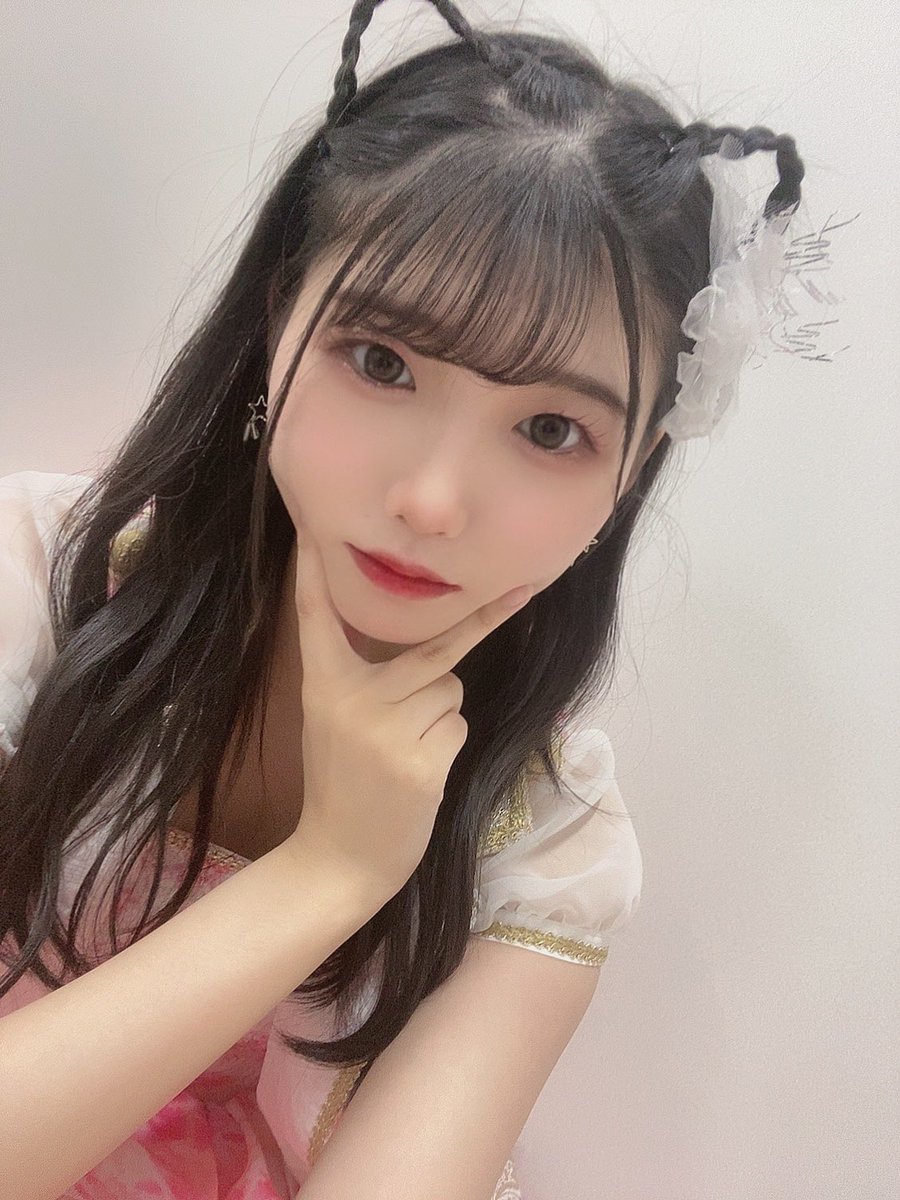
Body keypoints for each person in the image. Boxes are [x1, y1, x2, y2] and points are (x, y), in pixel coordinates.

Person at [0, 2, 805, 1197]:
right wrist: (328, 869)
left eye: (550, 429)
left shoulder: (545, 847)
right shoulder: (38, 587)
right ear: (278, 316)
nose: (431, 500)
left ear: (632, 472)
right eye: (383, 362)